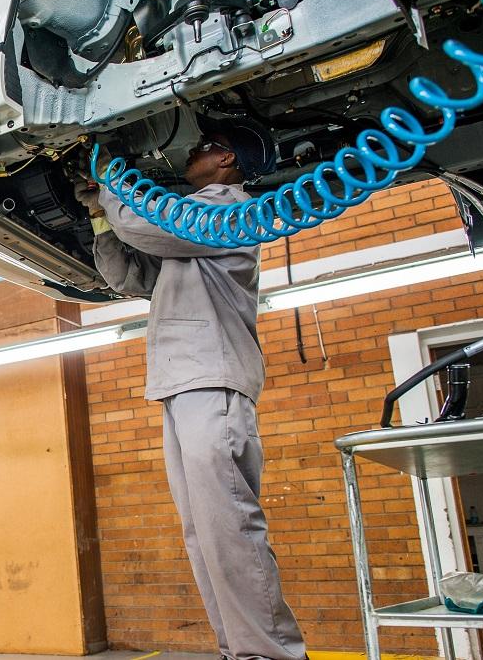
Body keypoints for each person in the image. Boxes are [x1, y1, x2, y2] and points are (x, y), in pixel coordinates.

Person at [76, 118, 307, 660]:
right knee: (203, 532)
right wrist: (97, 215)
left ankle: (271, 654)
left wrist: (112, 179)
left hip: (213, 377)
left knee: (228, 523)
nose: (191, 153)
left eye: (204, 146)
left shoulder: (229, 208)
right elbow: (125, 275)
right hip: (182, 383)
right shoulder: (189, 236)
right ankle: (239, 650)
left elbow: (140, 227)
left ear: (227, 160)